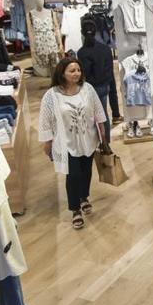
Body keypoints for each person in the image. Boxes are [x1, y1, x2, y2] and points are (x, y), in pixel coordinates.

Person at [38, 57, 107, 230]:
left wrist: (102, 133)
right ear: (62, 73)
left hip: (88, 139)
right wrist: (47, 143)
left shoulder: (87, 89)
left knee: (86, 171)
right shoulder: (52, 95)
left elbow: (98, 110)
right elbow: (45, 120)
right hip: (66, 142)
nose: (76, 73)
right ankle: (75, 209)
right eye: (72, 70)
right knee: (73, 174)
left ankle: (84, 197)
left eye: (78, 70)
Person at [77, 19, 116, 144]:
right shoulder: (105, 49)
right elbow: (110, 71)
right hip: (103, 86)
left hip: (89, 88)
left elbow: (84, 73)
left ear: (82, 33)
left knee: (89, 116)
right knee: (103, 115)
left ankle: (95, 142)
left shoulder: (82, 52)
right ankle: (106, 143)